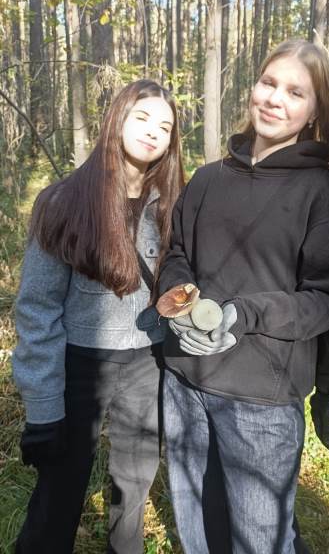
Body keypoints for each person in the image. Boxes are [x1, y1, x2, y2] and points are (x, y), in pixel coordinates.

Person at [158, 38, 329, 554]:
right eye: (268, 83)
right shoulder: (208, 179)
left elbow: (327, 298)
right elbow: (177, 252)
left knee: (259, 541)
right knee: (198, 529)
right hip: (184, 381)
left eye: (295, 92)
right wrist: (179, 298)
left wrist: (241, 314)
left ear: (315, 111)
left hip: (261, 399)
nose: (274, 99)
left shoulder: (324, 191)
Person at [13, 79, 184, 554]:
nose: (153, 132)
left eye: (165, 127)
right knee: (60, 488)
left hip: (149, 362)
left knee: (134, 484)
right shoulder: (64, 201)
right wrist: (43, 409)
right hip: (80, 363)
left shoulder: (175, 205)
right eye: (142, 118)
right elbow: (38, 309)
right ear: (117, 119)